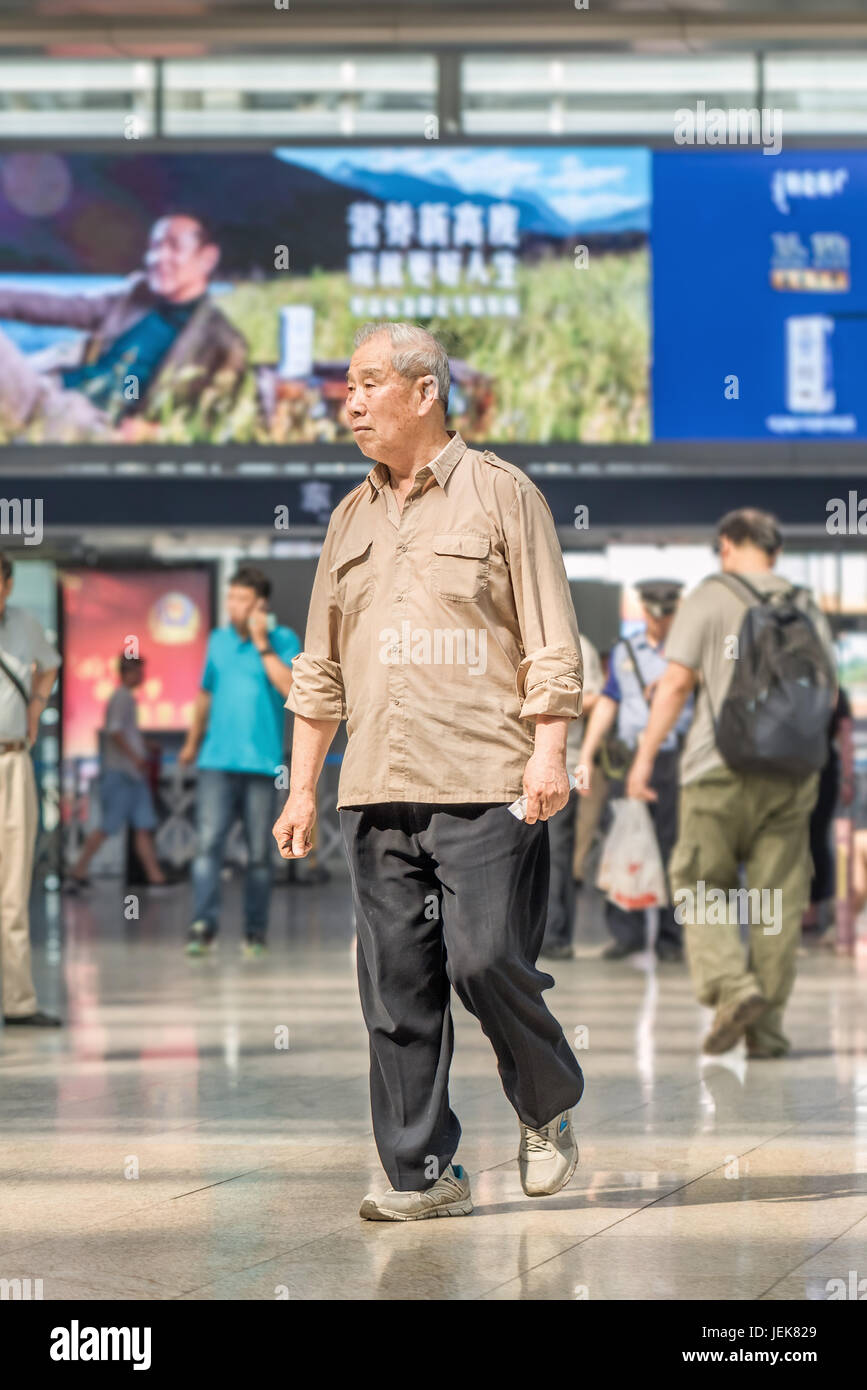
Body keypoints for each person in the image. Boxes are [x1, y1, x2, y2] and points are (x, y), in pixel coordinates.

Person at [273, 320, 585, 1222]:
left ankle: (547, 1102)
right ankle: (421, 1174)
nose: (351, 400)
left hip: (487, 779)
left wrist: (550, 749)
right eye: (346, 386)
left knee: (486, 959)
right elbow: (319, 667)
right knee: (396, 985)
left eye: (369, 382)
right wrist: (301, 785)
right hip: (373, 785)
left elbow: (549, 638)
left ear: (424, 391)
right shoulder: (348, 517)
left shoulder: (501, 495)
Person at [625, 509, 835, 1058]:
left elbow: (674, 685)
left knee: (699, 882)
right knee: (777, 901)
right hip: (791, 776)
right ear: (775, 551)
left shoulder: (711, 595)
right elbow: (828, 696)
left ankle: (733, 989)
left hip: (715, 769)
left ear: (727, 545)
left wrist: (644, 759)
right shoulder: (805, 603)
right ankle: (768, 1033)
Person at [0, 212, 247, 443]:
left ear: (207, 258)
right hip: (53, 389)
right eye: (154, 247)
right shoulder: (135, 297)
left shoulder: (222, 341)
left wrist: (151, 433)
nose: (159, 258)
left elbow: (218, 423)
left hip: (92, 421)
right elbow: (56, 307)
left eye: (174, 246)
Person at [180, 566, 299, 958]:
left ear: (260, 604)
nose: (232, 606)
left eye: (241, 599)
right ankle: (203, 926)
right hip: (216, 761)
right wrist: (192, 742)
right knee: (208, 847)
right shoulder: (217, 641)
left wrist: (263, 643)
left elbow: (290, 689)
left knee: (259, 855)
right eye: (230, 598)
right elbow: (204, 694)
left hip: (262, 766)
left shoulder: (283, 640)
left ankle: (255, 932)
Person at [579, 580, 691, 963]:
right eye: (654, 614)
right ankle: (625, 934)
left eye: (668, 614)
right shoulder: (626, 652)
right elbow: (608, 703)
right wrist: (586, 754)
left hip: (672, 759)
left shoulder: (689, 654)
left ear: (677, 610)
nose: (660, 622)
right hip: (626, 760)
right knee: (620, 842)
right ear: (645, 611)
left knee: (672, 847)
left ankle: (671, 939)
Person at [0, 550, 61, 1027]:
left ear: (7, 586)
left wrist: (36, 709)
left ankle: (18, 1002)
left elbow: (50, 666)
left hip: (14, 759)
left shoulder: (24, 623)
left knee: (15, 885)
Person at [66, 654, 168, 891]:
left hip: (134, 775)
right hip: (121, 774)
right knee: (107, 826)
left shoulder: (127, 699)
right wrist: (135, 757)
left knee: (143, 825)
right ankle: (78, 870)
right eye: (139, 671)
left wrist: (144, 746)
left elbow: (127, 733)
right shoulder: (121, 697)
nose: (143, 676)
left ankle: (155, 877)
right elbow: (115, 732)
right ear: (129, 673)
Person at [540, 632, 603, 959]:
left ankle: (554, 936)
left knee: (556, 854)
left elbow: (598, 698)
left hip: (563, 764)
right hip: (508, 765)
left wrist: (555, 702)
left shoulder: (578, 644)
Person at [803, 687, 854, 934]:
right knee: (800, 842)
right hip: (794, 773)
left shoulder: (834, 692)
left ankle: (813, 909)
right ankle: (802, 908)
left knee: (815, 841)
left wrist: (847, 778)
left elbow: (845, 736)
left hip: (820, 773)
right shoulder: (795, 687)